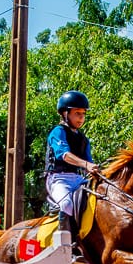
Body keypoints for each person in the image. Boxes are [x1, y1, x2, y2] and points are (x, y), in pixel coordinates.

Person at [45, 91, 99, 253]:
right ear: (65, 113)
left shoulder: (84, 139)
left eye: (83, 114)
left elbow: (89, 163)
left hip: (78, 179)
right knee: (67, 205)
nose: (81, 118)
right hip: (58, 179)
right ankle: (67, 249)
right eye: (77, 114)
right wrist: (86, 165)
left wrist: (96, 170)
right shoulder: (58, 132)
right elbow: (65, 155)